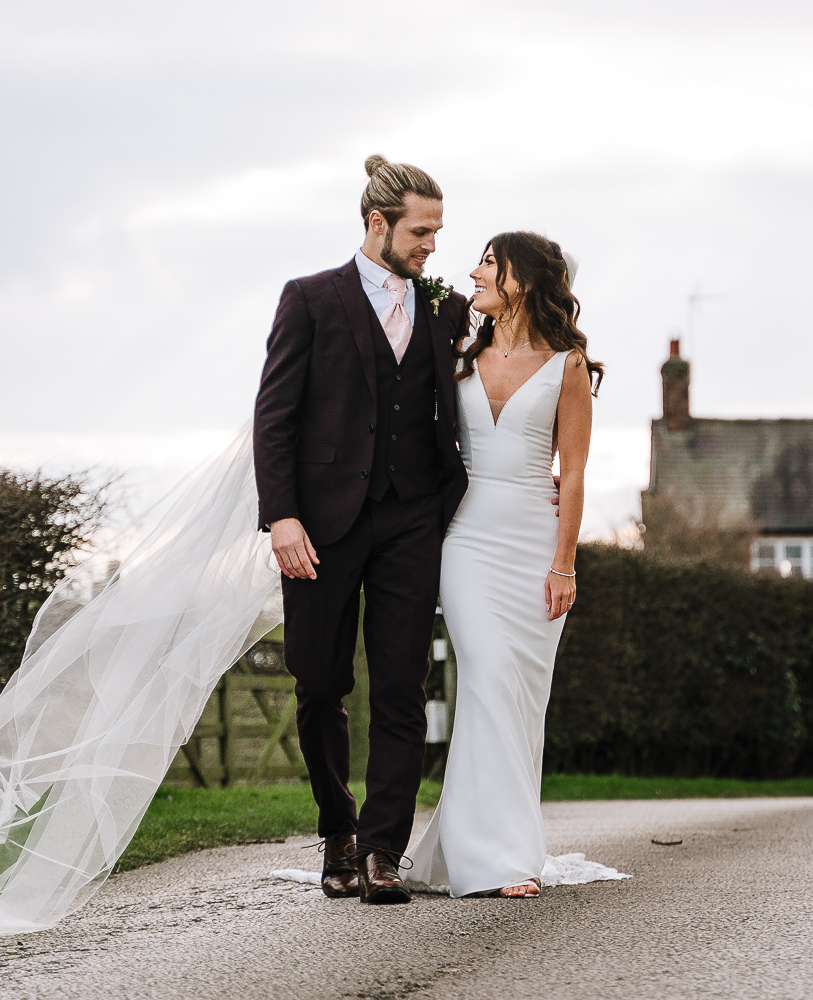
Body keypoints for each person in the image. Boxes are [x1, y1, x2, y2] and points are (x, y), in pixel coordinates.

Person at [253, 155, 472, 904]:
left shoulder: (445, 308)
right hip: (319, 523)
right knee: (318, 684)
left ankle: (383, 848)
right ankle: (337, 833)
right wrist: (281, 515)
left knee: (404, 686)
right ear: (376, 223)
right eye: (421, 231)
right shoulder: (311, 300)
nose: (432, 246)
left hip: (413, 515)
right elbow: (274, 415)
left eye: (438, 232)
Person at [407, 231, 604, 898]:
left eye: (489, 262)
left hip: (532, 541)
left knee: (518, 698)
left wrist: (564, 565)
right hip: (464, 541)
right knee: (487, 675)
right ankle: (493, 858)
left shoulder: (567, 366)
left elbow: (572, 475)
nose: (474, 272)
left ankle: (496, 848)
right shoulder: (457, 348)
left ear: (523, 278)